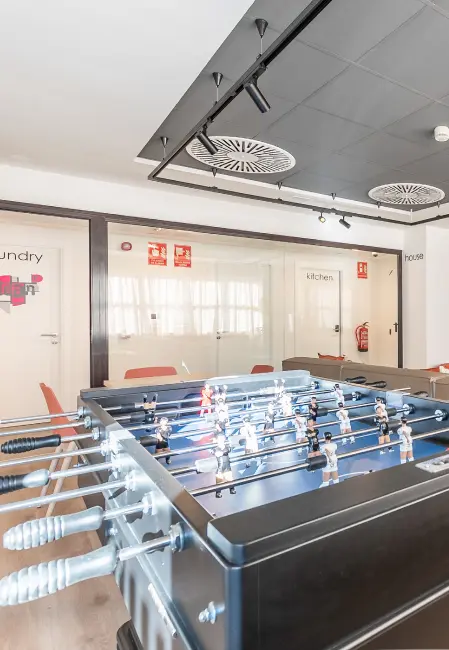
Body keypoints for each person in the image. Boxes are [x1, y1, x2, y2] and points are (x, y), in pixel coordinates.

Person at [214, 433, 236, 498]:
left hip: (227, 465)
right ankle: (218, 492)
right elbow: (214, 452)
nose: (221, 440)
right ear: (217, 440)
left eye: (222, 439)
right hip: (220, 466)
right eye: (219, 439)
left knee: (230, 478)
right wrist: (217, 453)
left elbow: (228, 450)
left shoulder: (226, 446)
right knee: (219, 480)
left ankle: (232, 489)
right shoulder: (215, 448)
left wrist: (221, 452)